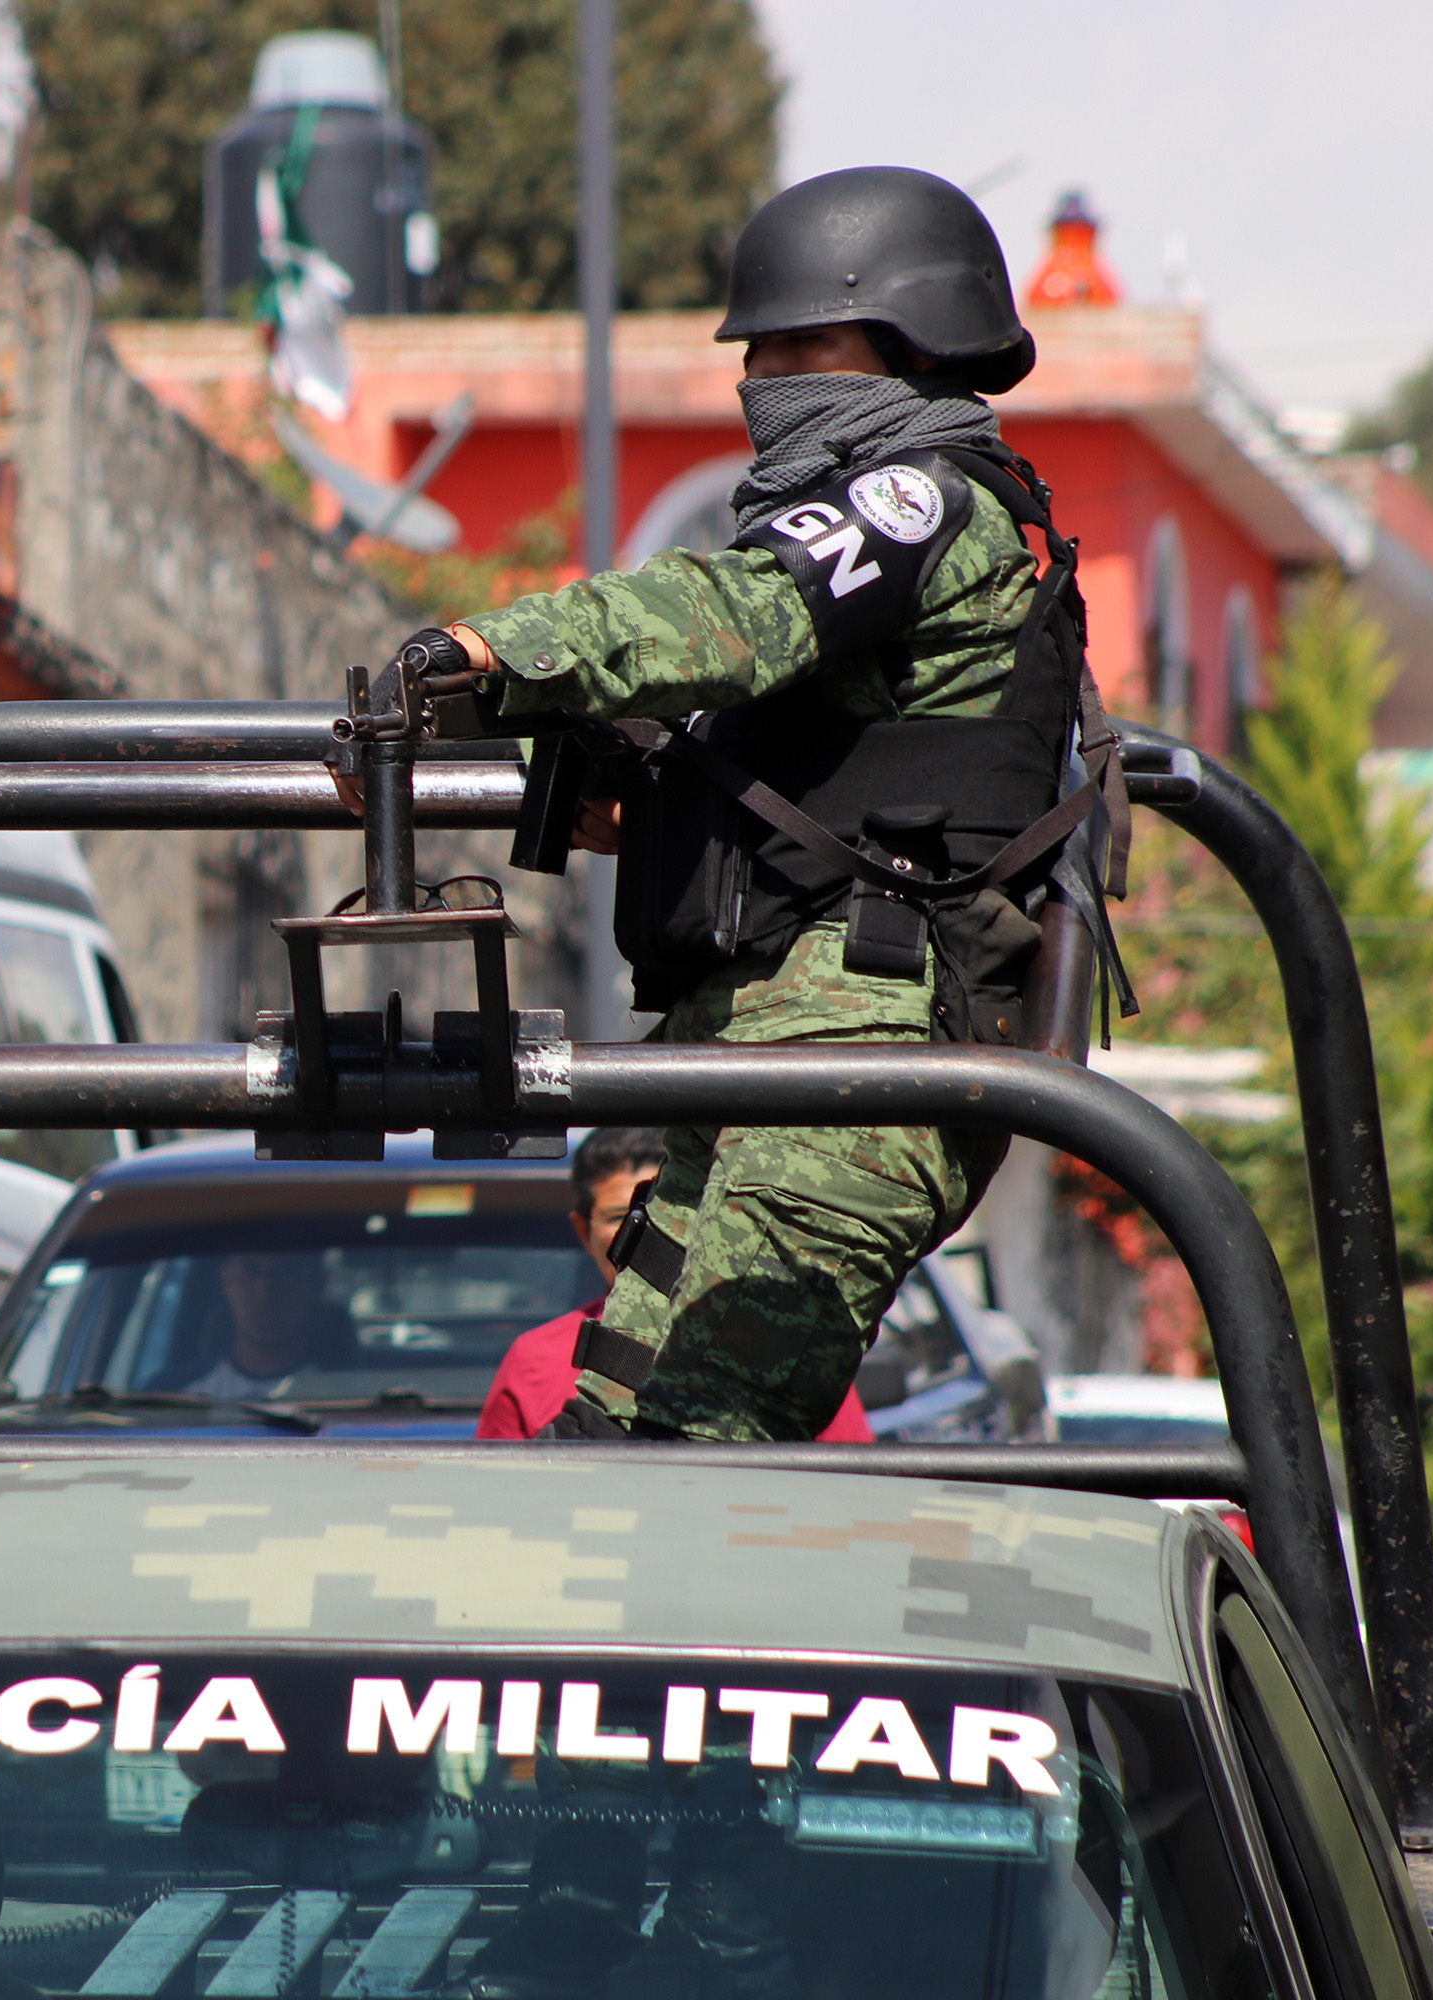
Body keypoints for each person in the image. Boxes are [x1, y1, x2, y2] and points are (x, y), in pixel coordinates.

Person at [405, 166, 1123, 1444]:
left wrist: (495, 652)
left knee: (692, 1455)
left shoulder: (923, 502)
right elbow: (845, 771)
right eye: (761, 348)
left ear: (912, 346)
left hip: (850, 1067)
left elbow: (735, 615)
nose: (769, 378)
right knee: (600, 1445)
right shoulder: (872, 544)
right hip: (749, 1052)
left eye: (808, 345)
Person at [477, 1129, 870, 1443]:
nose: (646, 1229)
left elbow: (848, 1489)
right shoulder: (534, 1359)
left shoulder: (784, 1338)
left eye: (671, 1212)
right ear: (584, 1230)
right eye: (621, 1215)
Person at [175, 1252, 324, 1399]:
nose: (264, 1294)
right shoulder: (172, 1395)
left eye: (285, 1273)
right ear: (226, 1279)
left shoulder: (342, 1391)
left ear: (317, 1285)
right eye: (250, 1271)